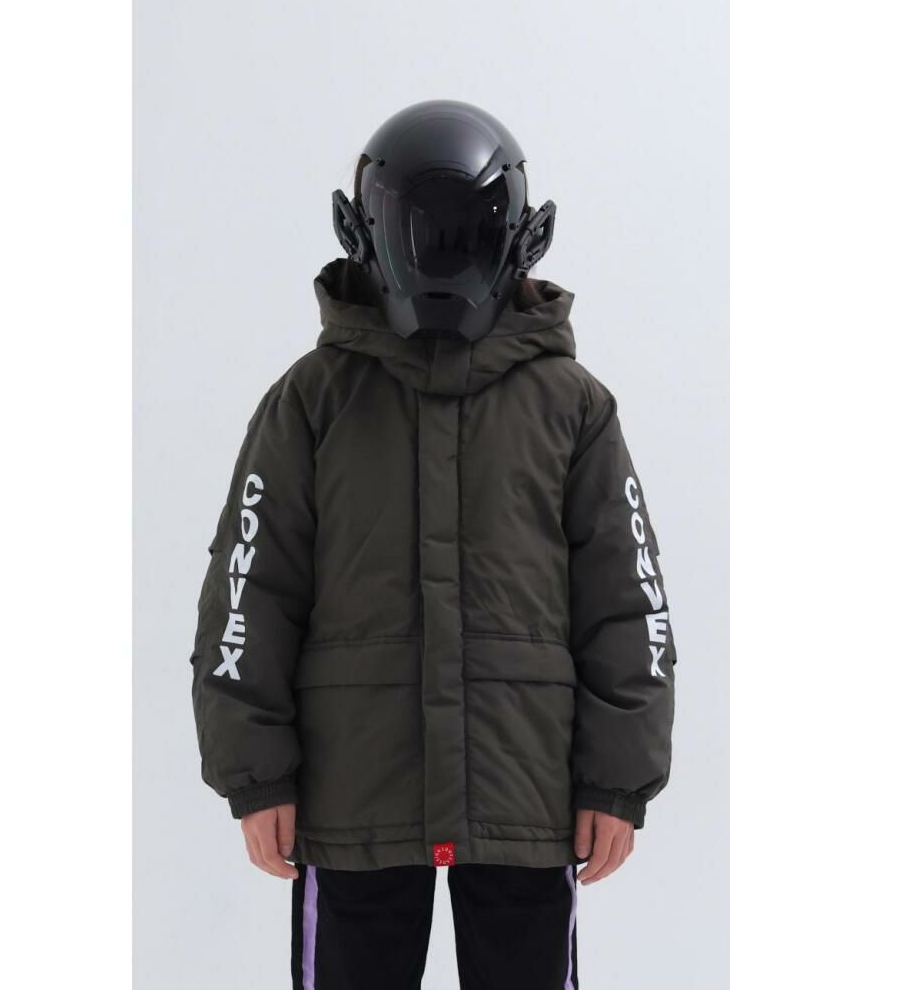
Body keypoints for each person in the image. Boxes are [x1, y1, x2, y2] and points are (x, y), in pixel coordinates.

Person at [190, 99, 676, 990]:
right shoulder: (313, 401)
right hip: (354, 794)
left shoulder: (572, 408)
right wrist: (257, 774)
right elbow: (250, 590)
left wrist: (616, 782)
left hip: (523, 790)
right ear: (369, 234)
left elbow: (626, 602)